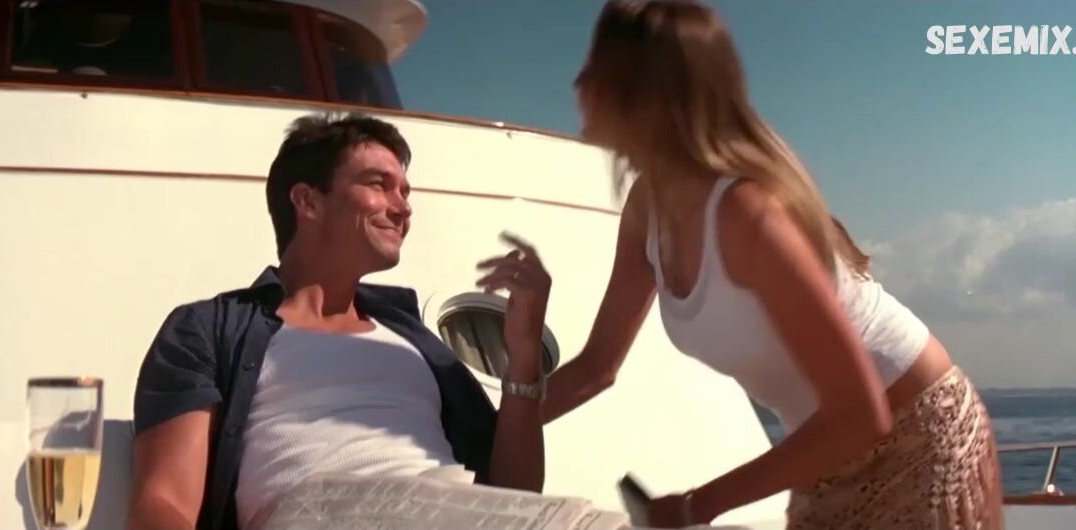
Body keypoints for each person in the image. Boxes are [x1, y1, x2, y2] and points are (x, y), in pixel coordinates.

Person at [529, 1, 1005, 529]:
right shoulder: (648, 208)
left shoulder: (745, 215)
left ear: (641, 92)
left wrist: (694, 506)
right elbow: (597, 367)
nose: (578, 83)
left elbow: (860, 415)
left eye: (596, 68)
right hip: (826, 453)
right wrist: (501, 424)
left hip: (917, 442)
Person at [127, 113, 553, 530]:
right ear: (308, 201)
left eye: (405, 192)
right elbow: (163, 502)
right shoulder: (209, 329)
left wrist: (523, 354)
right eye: (379, 184)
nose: (403, 208)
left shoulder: (415, 342)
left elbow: (516, 496)